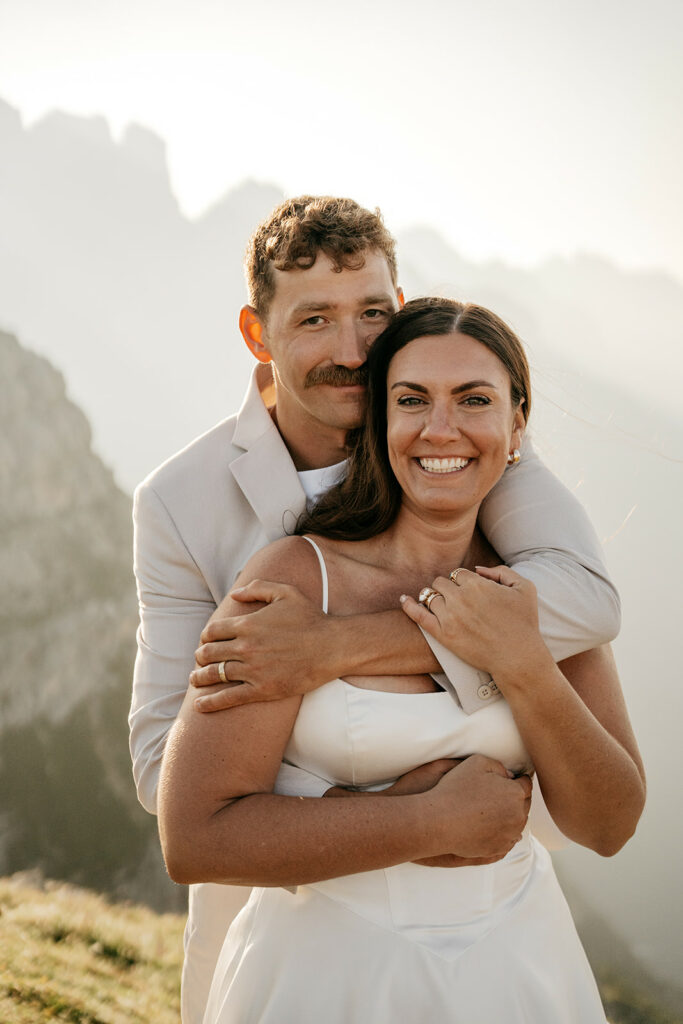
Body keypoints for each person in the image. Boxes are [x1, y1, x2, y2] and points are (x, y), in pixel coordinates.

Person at [130, 197, 621, 1023]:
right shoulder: (181, 500)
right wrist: (402, 818)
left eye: (372, 314)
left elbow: (583, 599)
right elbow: (159, 762)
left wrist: (331, 650)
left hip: (491, 923)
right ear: (258, 334)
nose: (352, 349)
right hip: (299, 913)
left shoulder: (452, 436)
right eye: (314, 318)